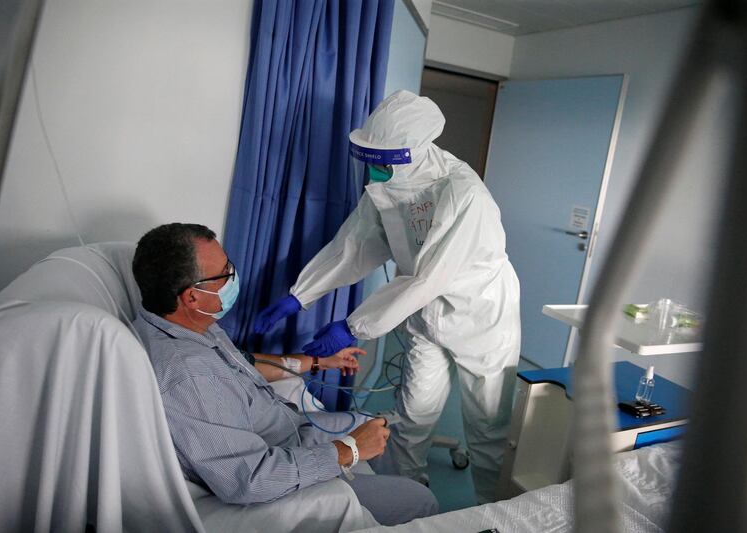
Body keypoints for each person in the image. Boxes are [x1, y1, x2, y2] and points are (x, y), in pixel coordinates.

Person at [254, 90, 521, 503]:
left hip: (479, 316)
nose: (374, 169)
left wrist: (351, 325)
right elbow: (355, 244)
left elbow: (429, 276)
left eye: (383, 161)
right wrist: (300, 295)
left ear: (413, 151)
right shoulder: (389, 187)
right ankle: (411, 494)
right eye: (371, 159)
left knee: (488, 428)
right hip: (423, 313)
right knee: (414, 413)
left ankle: (495, 512)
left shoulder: (464, 194)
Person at [131, 222, 438, 525]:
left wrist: (316, 362)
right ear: (191, 297)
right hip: (276, 464)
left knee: (370, 423)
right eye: (225, 274)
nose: (233, 278)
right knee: (420, 501)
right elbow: (250, 478)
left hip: (287, 432)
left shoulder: (189, 326)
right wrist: (349, 450)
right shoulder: (189, 375)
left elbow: (243, 364)